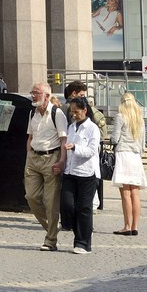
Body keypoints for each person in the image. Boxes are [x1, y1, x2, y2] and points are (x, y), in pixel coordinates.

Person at [24, 80, 67, 252]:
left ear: (47, 96)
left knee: (51, 202)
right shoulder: (32, 113)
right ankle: (52, 226)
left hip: (52, 157)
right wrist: (28, 155)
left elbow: (64, 140)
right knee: (31, 197)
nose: (33, 95)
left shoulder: (57, 114)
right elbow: (30, 137)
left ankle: (50, 240)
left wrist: (62, 161)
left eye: (36, 92)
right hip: (33, 158)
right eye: (32, 92)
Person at [61, 95, 100, 253]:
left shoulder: (92, 129)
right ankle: (77, 231)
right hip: (70, 171)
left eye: (77, 112)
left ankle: (82, 243)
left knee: (84, 208)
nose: (74, 115)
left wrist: (76, 148)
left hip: (87, 173)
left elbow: (91, 150)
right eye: (72, 112)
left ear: (85, 110)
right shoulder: (71, 127)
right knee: (67, 204)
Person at [111, 89, 147, 235]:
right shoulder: (140, 118)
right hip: (135, 156)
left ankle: (126, 225)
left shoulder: (120, 117)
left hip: (123, 154)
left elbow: (115, 138)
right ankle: (135, 226)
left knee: (125, 193)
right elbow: (143, 142)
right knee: (135, 193)